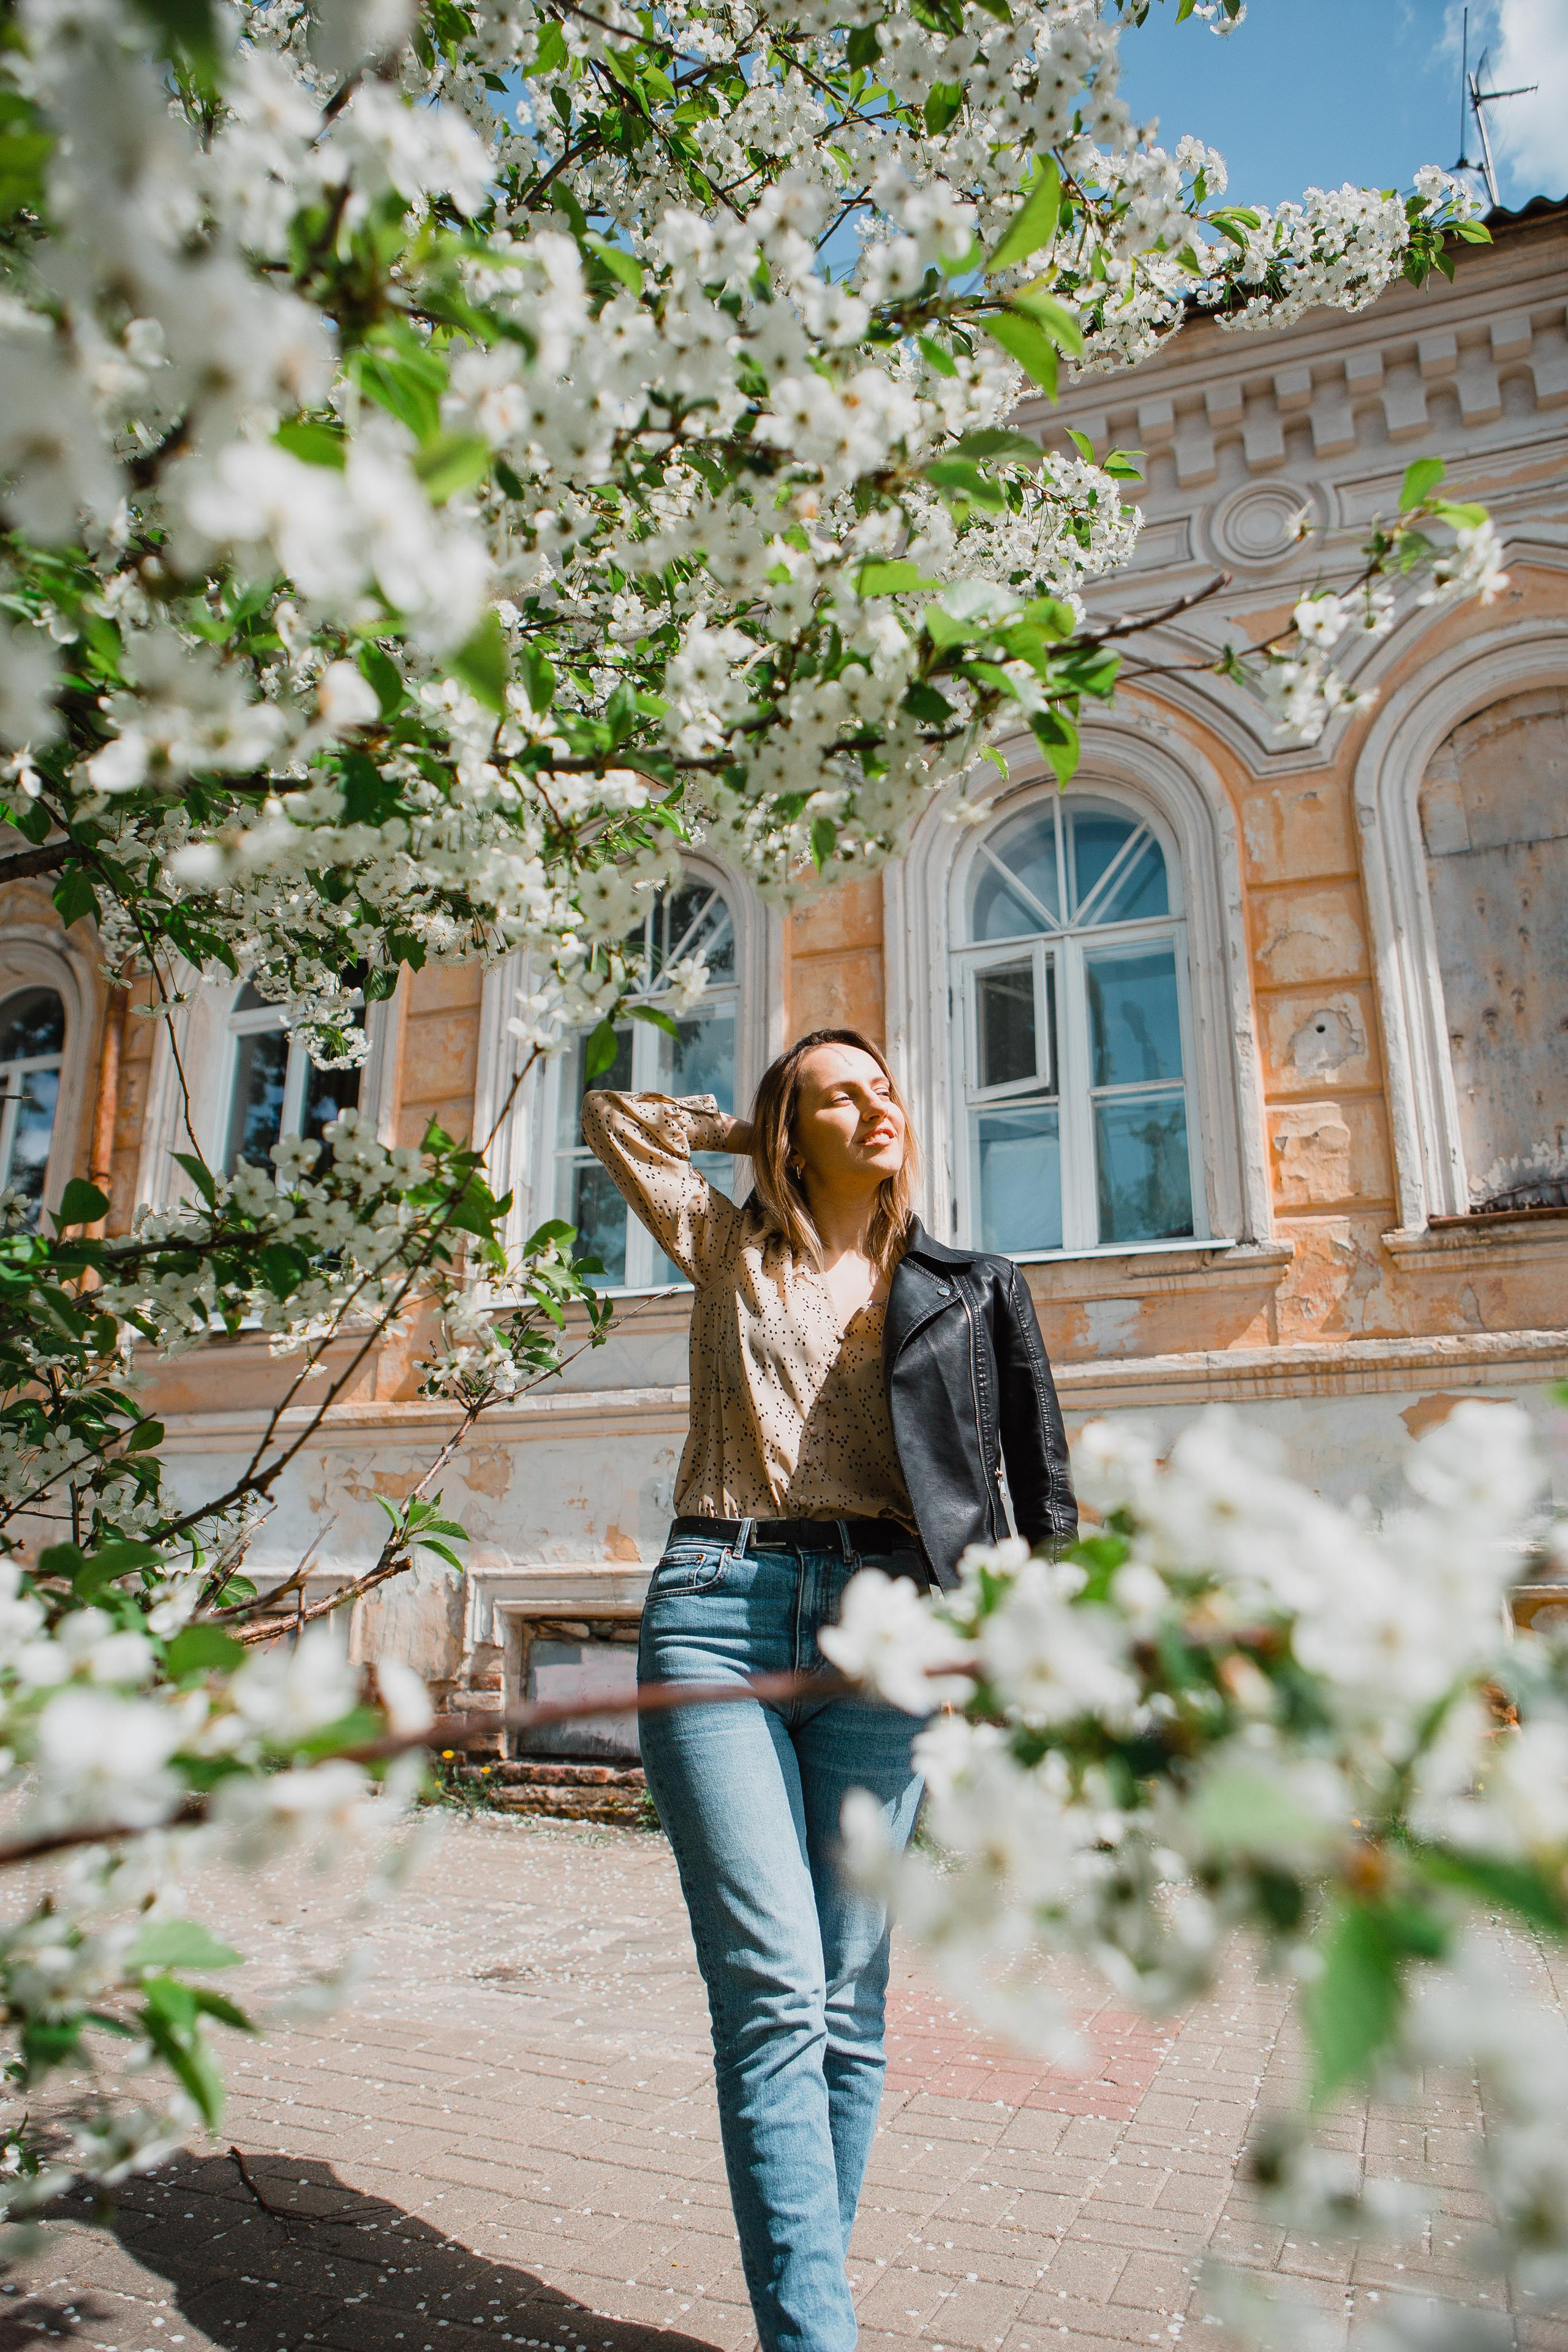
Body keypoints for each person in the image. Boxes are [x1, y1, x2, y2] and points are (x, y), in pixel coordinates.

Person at [581, 1026, 1076, 2352]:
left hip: (887, 1630)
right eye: (837, 1095)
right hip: (716, 1615)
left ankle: (806, 2311)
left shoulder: (971, 1287)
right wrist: (759, 1129)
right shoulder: (729, 1244)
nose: (876, 1107)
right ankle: (817, 2337)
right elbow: (616, 1114)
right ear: (788, 1130)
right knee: (774, 1987)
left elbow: (1037, 1490)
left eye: (885, 1088)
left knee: (849, 2005)